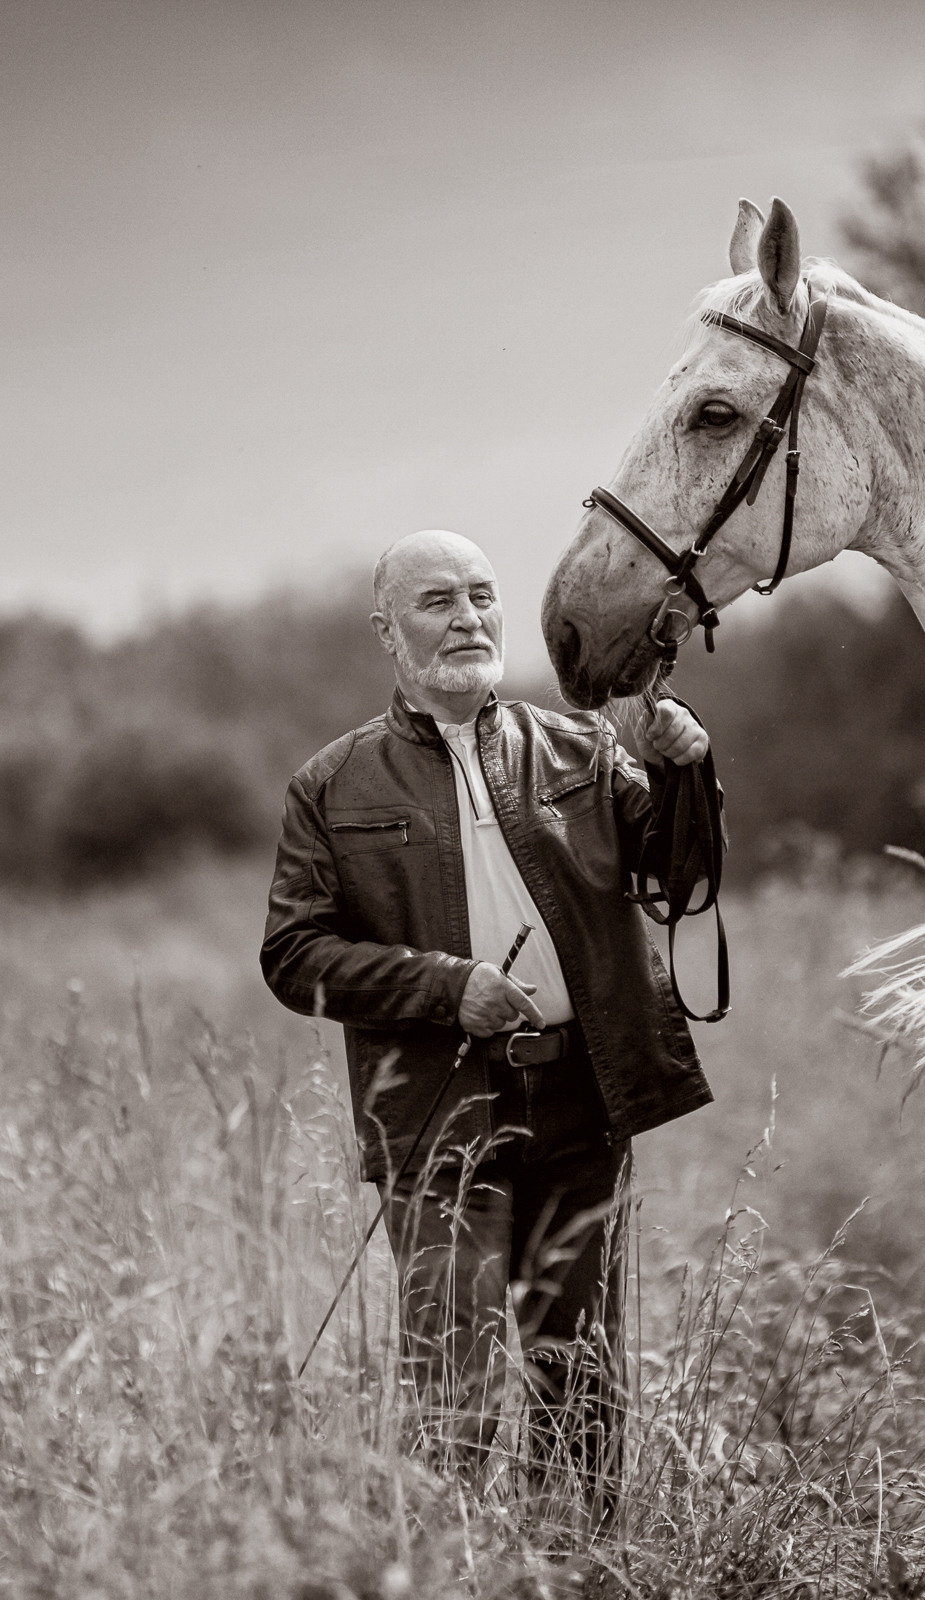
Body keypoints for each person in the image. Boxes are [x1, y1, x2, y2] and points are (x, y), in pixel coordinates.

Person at [260, 529, 714, 1506]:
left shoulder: (583, 747)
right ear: (388, 632)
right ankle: (450, 1570)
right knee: (454, 1393)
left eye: (481, 594)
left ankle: (575, 1569)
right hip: (437, 1114)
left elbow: (678, 876)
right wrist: (440, 985)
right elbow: (292, 958)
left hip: (581, 1104)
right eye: (438, 601)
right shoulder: (331, 785)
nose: (468, 617)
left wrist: (682, 769)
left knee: (581, 1378)